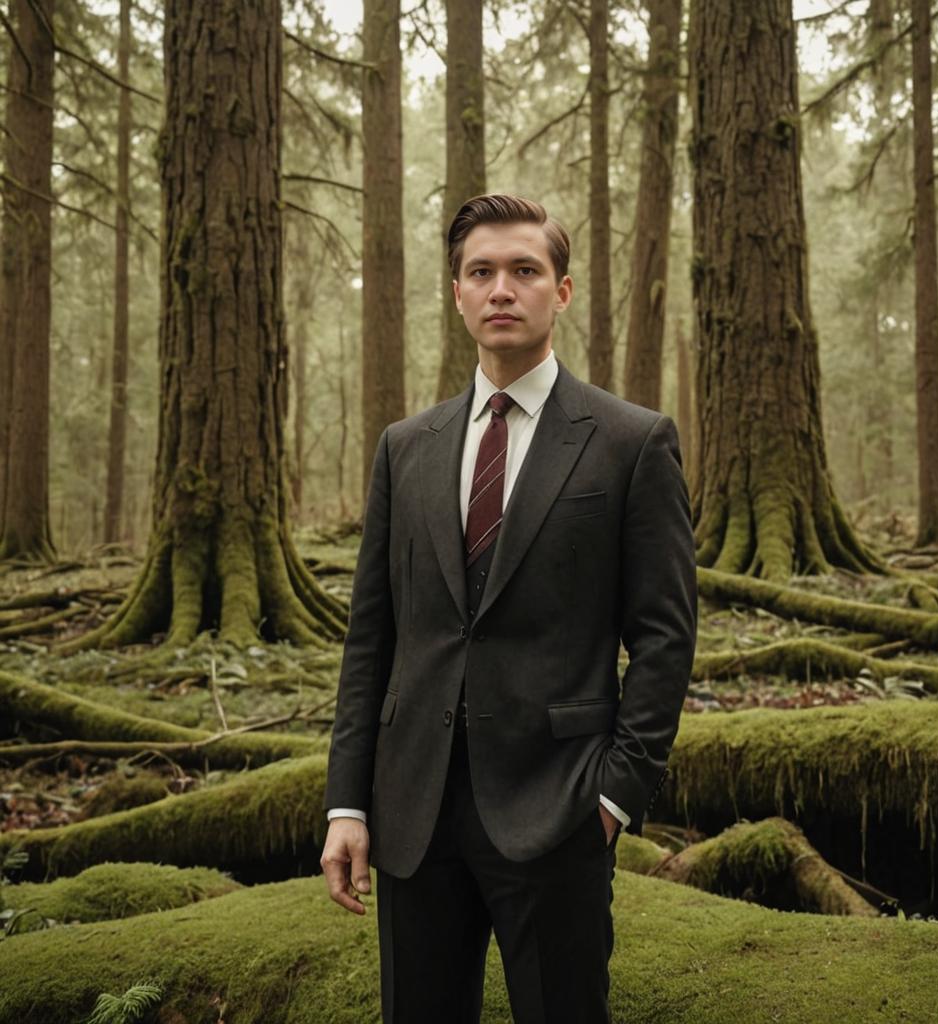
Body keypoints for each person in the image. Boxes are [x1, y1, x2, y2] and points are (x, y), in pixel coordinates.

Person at [321, 194, 697, 1023]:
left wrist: (613, 797)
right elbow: (372, 637)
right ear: (456, 292)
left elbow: (665, 639)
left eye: (524, 270)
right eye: (481, 272)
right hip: (413, 816)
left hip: (559, 809)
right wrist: (348, 803)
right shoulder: (405, 447)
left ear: (560, 292)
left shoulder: (631, 443)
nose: (502, 289)